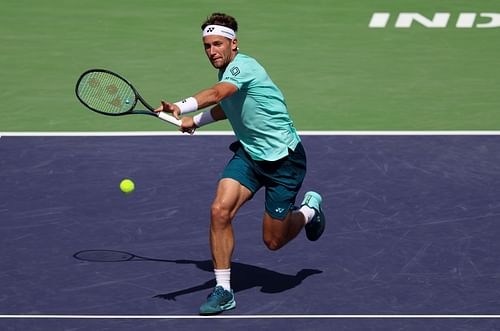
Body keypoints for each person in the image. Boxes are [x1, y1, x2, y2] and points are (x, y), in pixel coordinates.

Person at [154, 12, 326, 315]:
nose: (212, 52)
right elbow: (227, 107)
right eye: (207, 46)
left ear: (234, 44)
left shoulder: (245, 66)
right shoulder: (228, 73)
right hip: (250, 154)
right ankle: (224, 290)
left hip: (284, 160)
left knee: (273, 242)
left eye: (217, 44)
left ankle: (309, 212)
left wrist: (181, 107)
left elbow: (218, 94)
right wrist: (196, 121)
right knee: (219, 210)